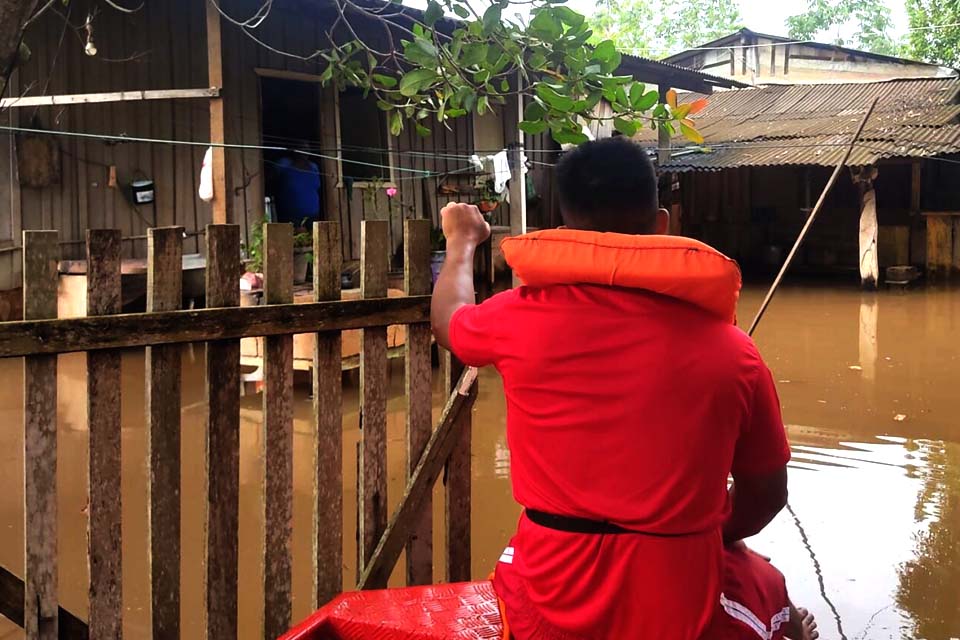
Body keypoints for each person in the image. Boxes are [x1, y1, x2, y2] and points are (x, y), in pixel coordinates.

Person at [430, 137, 818, 640]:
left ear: (567, 229)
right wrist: (702, 528)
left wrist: (461, 241)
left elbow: (449, 321)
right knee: (765, 583)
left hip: (547, 596)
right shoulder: (735, 354)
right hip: (674, 599)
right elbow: (766, 496)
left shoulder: (516, 319)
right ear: (661, 223)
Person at [271, 148, 322, 224]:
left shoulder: (313, 167)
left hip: (312, 215)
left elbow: (317, 187)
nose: (304, 153)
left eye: (307, 150)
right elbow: (271, 182)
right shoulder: (284, 164)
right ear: (295, 151)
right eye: (302, 149)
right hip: (290, 215)